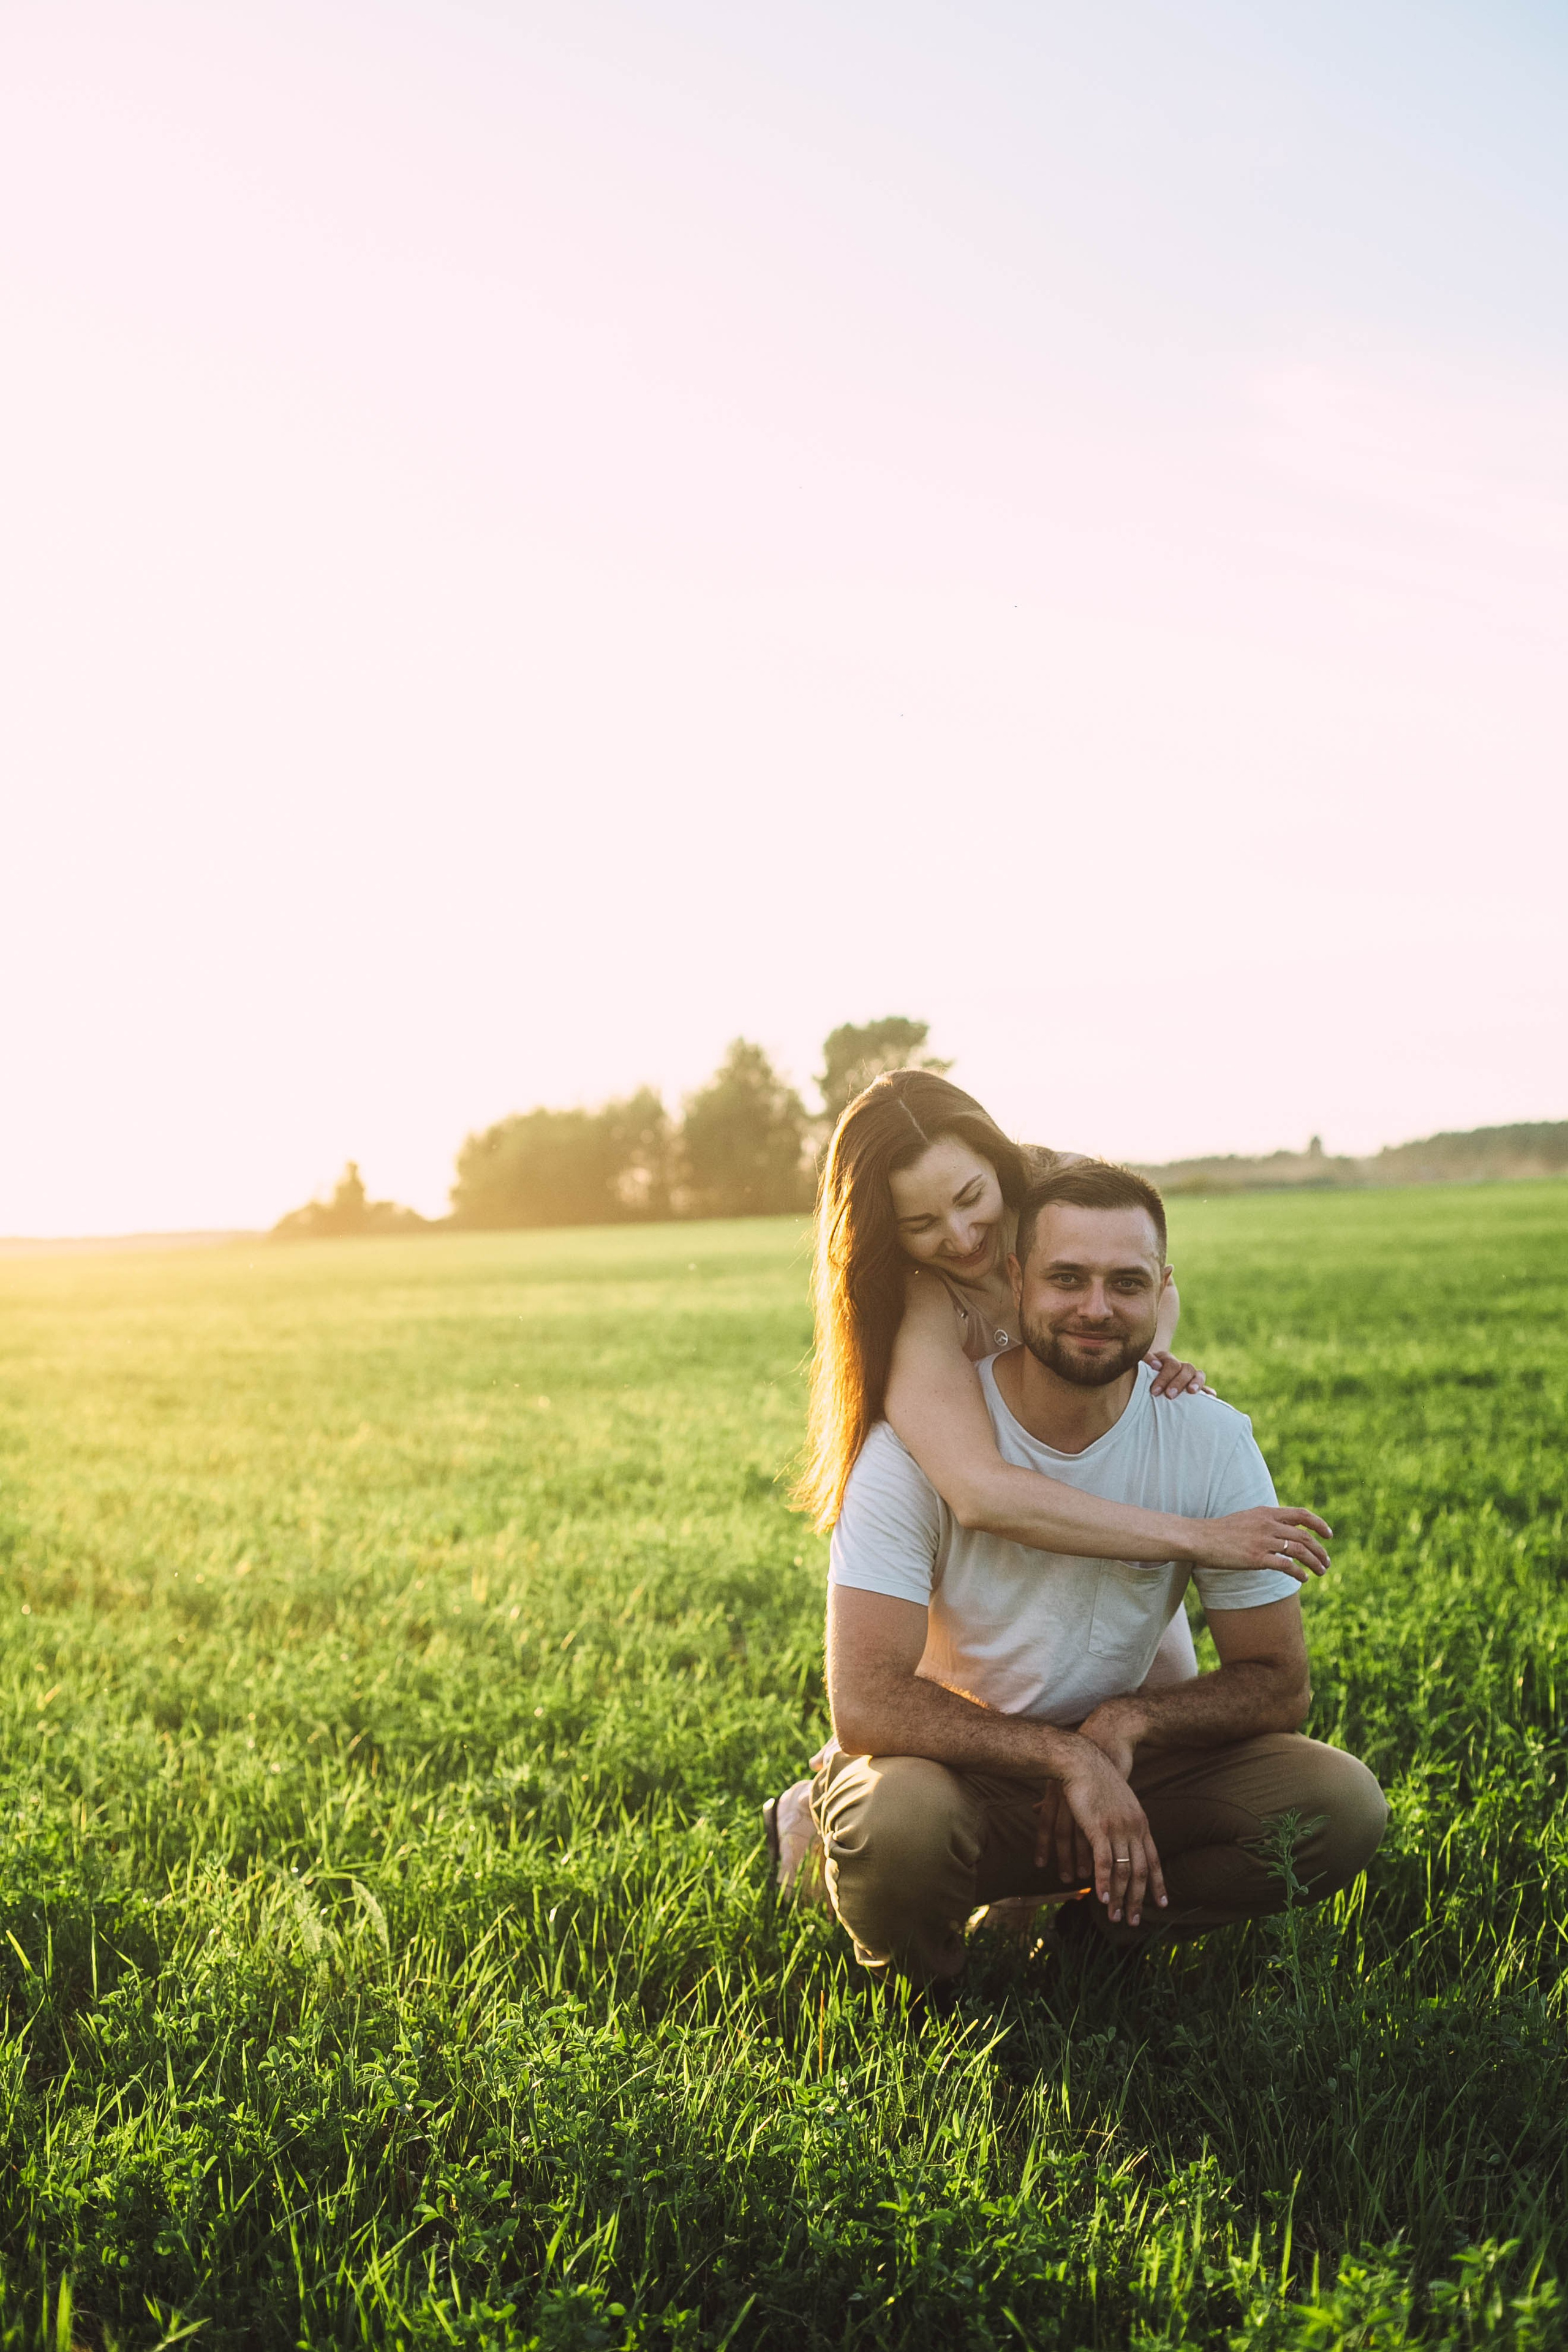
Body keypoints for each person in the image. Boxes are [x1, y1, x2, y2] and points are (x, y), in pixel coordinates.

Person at [813, 1159, 1386, 1986]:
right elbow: (867, 1700)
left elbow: (1277, 1684)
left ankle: (1100, 1941)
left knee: (1339, 1804)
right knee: (896, 1824)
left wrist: (1123, 1724)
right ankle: (936, 1983)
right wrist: (1060, 1756)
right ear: (1014, 1282)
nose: (1095, 1307)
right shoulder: (916, 1446)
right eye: (1066, 1278)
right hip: (952, 1771)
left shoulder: (1209, 1437)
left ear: (1163, 1293)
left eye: (1126, 1283)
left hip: (1131, 1771)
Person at [766, 1072, 1335, 1898]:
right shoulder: (926, 1304)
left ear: (1001, 1165)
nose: (960, 1236)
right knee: (960, 1692)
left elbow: (1143, 1277)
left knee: (1160, 1706)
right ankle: (822, 1796)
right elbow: (982, 1494)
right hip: (993, 1522)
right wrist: (1197, 1536)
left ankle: (1081, 1905)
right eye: (920, 1223)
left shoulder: (1053, 1187)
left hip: (1090, 1476)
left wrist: (1156, 1356)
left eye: (969, 1199)